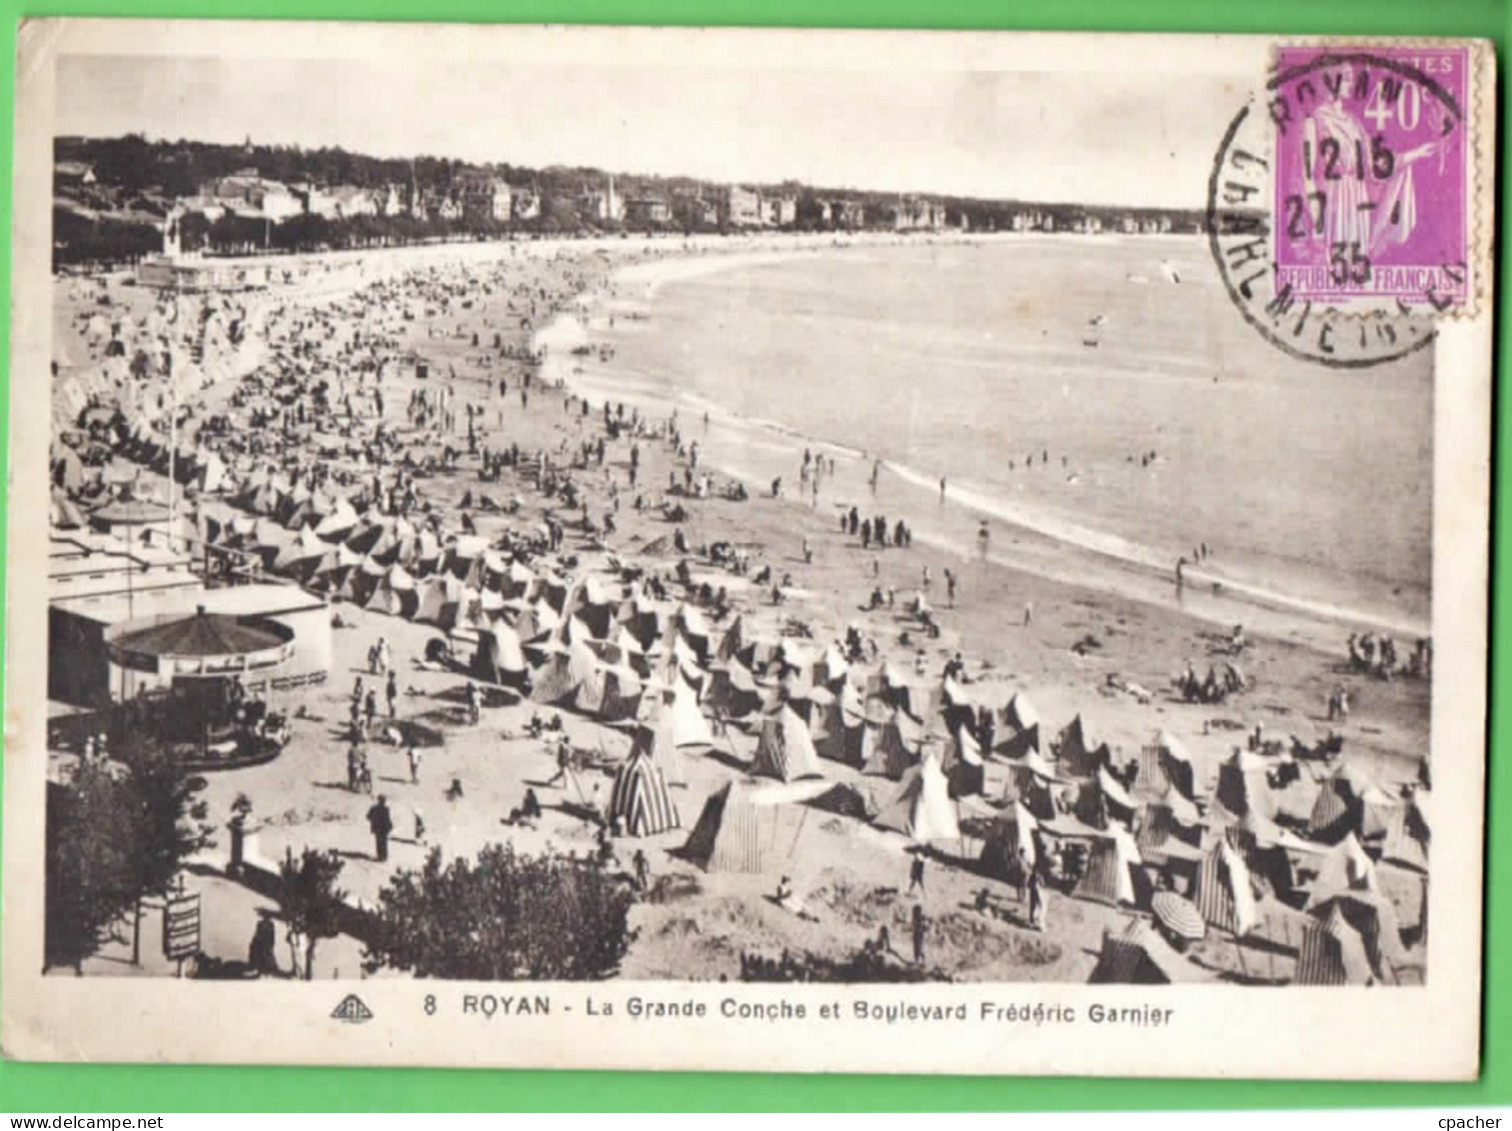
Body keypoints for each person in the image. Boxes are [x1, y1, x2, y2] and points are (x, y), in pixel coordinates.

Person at [367, 795, 394, 862]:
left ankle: (380, 856)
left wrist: (374, 821)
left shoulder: (374, 808)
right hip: (384, 828)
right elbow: (388, 819)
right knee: (384, 842)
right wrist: (389, 826)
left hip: (377, 828)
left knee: (378, 842)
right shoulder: (386, 809)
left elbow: (368, 816)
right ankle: (384, 856)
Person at [1027, 866, 1045, 931]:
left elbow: (1028, 885)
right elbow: (1043, 884)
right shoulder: (1040, 876)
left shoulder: (1032, 876)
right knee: (1038, 906)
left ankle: (1032, 920)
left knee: (1033, 906)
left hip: (1032, 892)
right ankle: (1036, 921)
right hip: (1038, 892)